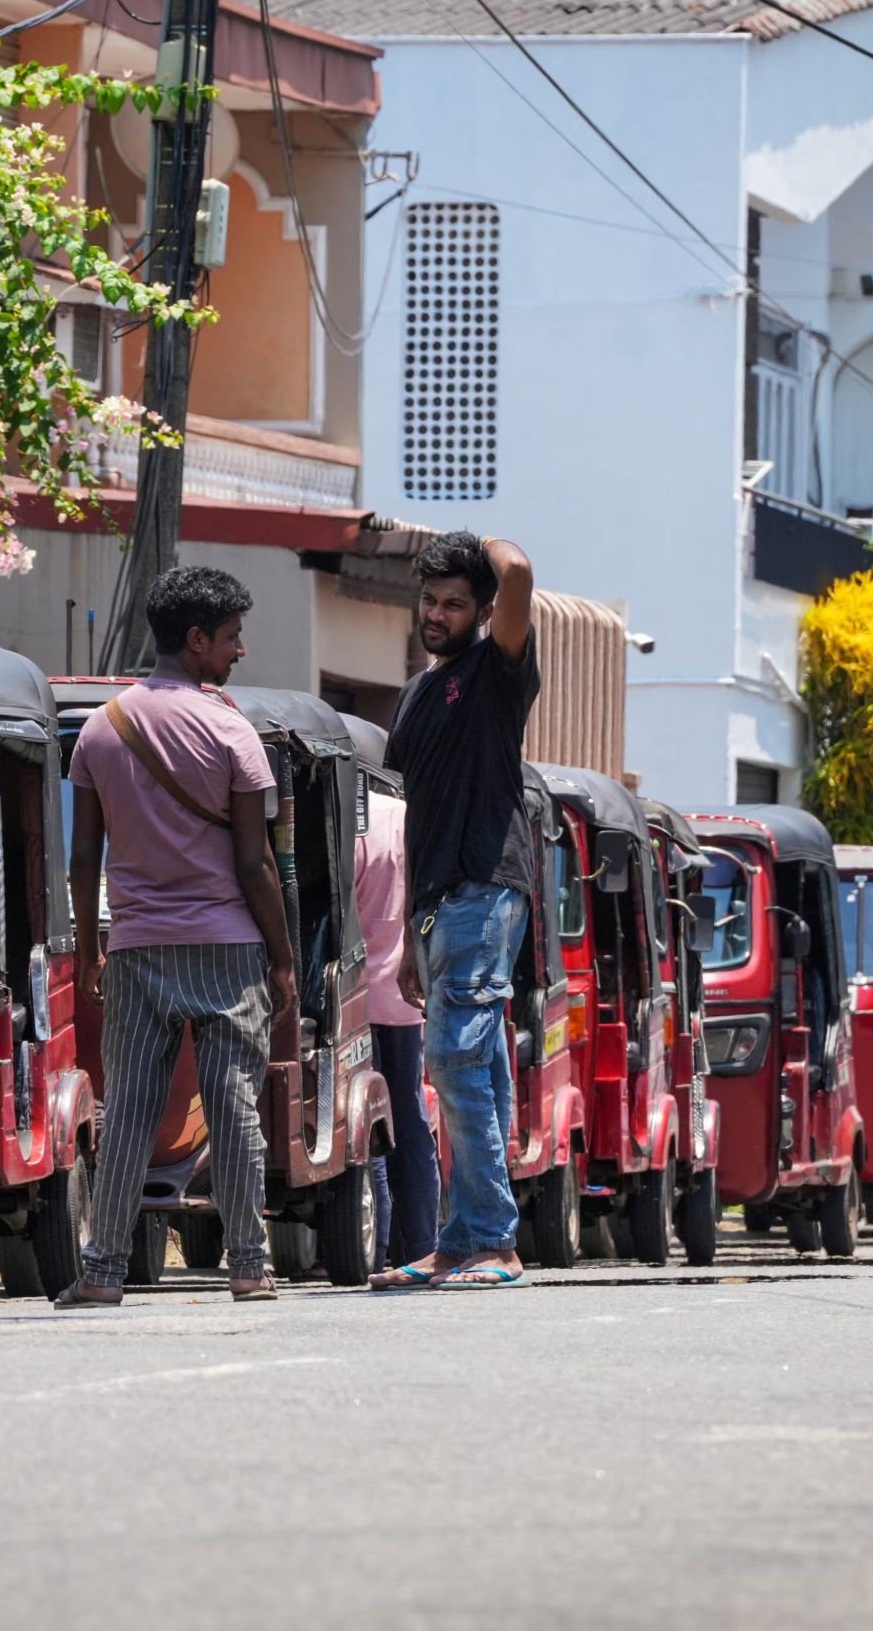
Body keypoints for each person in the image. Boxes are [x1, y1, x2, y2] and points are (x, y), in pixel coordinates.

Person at [55, 567, 298, 1307]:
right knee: (233, 1107)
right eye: (230, 638)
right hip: (228, 948)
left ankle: (101, 1274)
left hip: (136, 947)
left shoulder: (102, 728)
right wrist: (283, 959)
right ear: (196, 641)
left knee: (129, 1111)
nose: (239, 651)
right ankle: (248, 1267)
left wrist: (91, 951)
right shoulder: (232, 731)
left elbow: (83, 859)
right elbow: (255, 862)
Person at [378, 530, 537, 1290]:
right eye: (429, 600)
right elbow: (418, 816)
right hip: (440, 900)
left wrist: (476, 543)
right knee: (478, 1069)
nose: (436, 614)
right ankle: (462, 1240)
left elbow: (519, 571)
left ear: (482, 613)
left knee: (452, 1058)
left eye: (454, 603)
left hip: (486, 882)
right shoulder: (417, 694)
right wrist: (411, 931)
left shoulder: (496, 671)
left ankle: (494, 1242)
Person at [357, 782, 438, 1271]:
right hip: (407, 999)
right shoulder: (414, 818)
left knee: (367, 1125)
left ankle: (378, 1244)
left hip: (355, 1000)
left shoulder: (352, 820)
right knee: (409, 1120)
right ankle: (423, 1244)